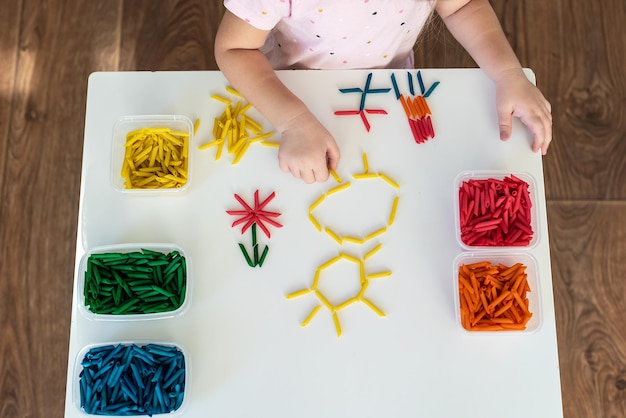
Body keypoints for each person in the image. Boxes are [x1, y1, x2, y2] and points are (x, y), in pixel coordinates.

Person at [214, 0, 552, 184]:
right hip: (289, 94)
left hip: (390, 92)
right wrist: (293, 121)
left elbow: (463, 6)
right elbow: (234, 50)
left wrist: (509, 73)